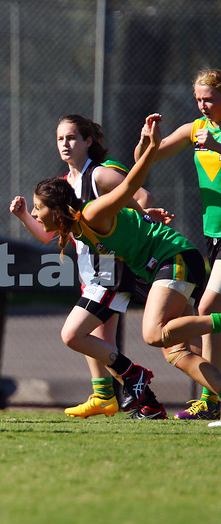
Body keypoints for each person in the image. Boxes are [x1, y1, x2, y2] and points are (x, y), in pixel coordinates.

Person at [28, 113, 221, 413]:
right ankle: (208, 401)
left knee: (152, 334)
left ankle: (125, 384)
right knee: (177, 351)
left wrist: (151, 147)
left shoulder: (91, 212)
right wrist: (143, 217)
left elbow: (132, 185)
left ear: (58, 209)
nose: (36, 214)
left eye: (38, 208)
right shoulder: (76, 225)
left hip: (173, 256)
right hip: (156, 265)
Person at [11, 114, 168, 419]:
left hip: (111, 268)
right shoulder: (61, 185)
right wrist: (23, 217)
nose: (65, 144)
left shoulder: (100, 175)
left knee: (75, 336)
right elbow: (47, 234)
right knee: (100, 343)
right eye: (60, 139)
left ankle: (132, 381)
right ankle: (141, 403)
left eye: (71, 137)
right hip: (90, 270)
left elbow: (139, 193)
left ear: (88, 141)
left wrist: (144, 214)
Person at [133, 68, 221, 422]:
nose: (203, 105)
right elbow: (148, 157)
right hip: (214, 234)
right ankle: (212, 399)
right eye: (199, 99)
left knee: (208, 308)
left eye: (210, 99)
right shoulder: (195, 129)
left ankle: (211, 398)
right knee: (206, 311)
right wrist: (145, 139)